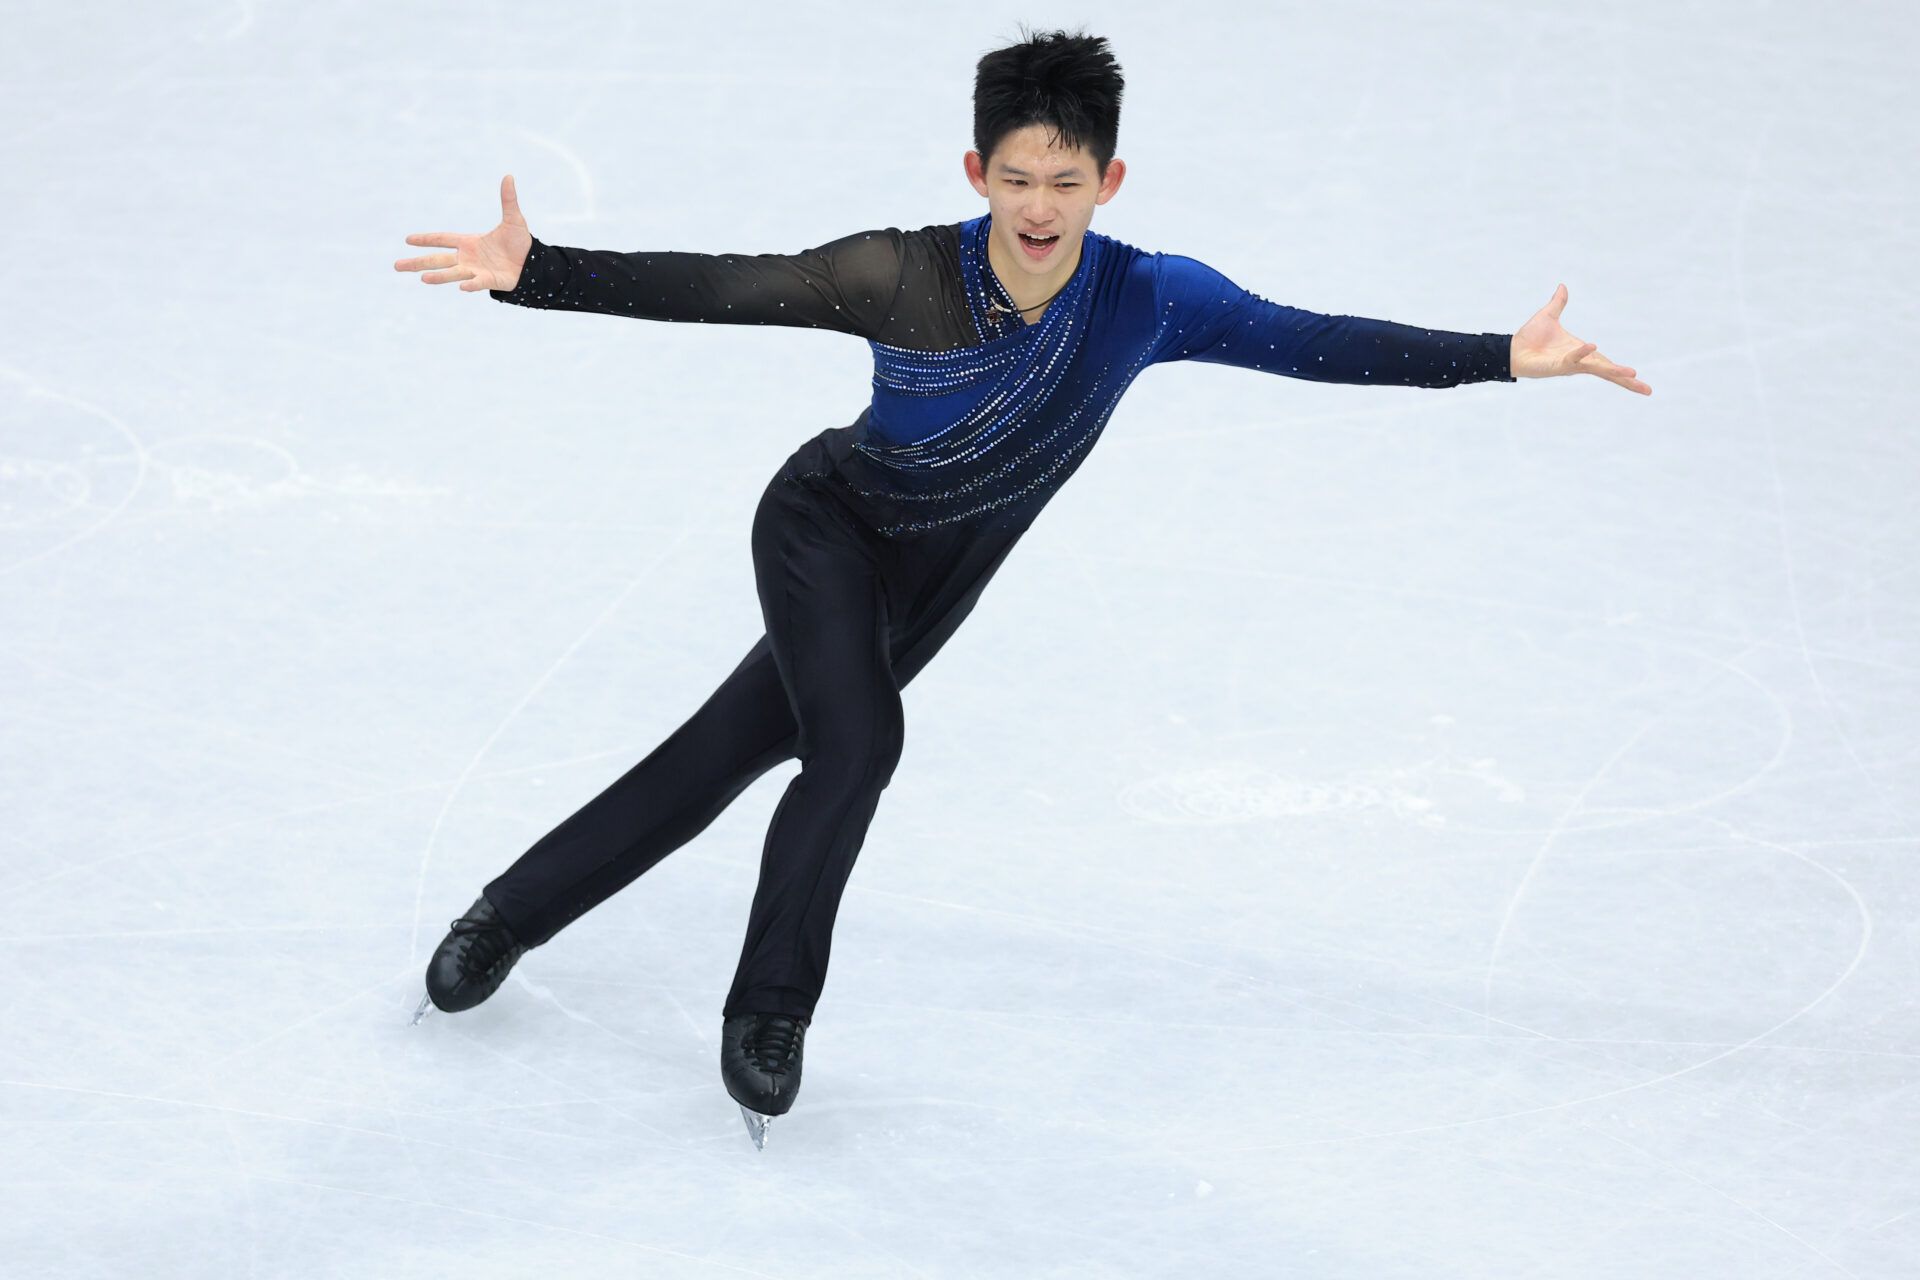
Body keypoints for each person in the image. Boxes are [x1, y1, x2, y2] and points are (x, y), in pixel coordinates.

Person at [391, 25, 1650, 1150]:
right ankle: (768, 1011)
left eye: (1065, 181)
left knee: (725, 754)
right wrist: (539, 270)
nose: (1039, 208)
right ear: (974, 173)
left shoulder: (1152, 300)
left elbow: (1318, 341)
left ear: (1108, 180)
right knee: (860, 741)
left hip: (934, 585)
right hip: (824, 529)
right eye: (1014, 177)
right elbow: (728, 286)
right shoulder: (900, 274)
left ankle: (508, 913)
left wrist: (1500, 357)